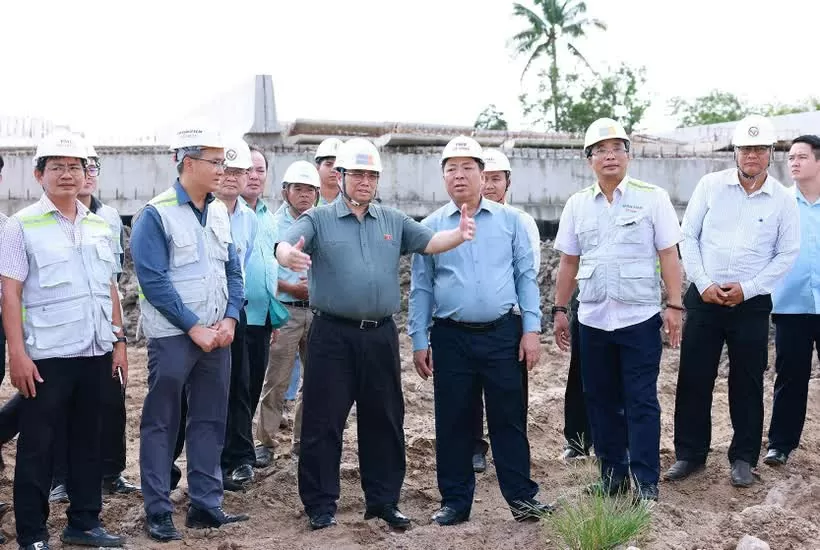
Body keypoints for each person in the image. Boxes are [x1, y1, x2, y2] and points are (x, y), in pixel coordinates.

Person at [275, 137, 475, 531]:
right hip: (332, 335)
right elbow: (285, 243)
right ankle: (320, 505)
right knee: (323, 422)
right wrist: (288, 255)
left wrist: (459, 234)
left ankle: (383, 501)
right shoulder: (318, 219)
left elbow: (429, 242)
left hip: (380, 336)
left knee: (384, 419)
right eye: (357, 174)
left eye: (371, 175)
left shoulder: (393, 220)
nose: (365, 182)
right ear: (340, 176)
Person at [409, 136, 552, 525]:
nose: (459, 175)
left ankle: (522, 499)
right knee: (453, 420)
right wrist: (419, 338)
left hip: (503, 333)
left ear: (482, 173)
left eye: (467, 168)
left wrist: (531, 329)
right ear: (443, 176)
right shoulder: (430, 227)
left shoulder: (510, 222)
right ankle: (455, 501)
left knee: (509, 418)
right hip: (450, 336)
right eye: (451, 169)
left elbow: (525, 278)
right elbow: (421, 287)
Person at [1, 131, 127, 549]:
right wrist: (17, 354)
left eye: (75, 167)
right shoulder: (21, 225)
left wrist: (119, 342)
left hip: (95, 351)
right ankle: (32, 535)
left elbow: (109, 286)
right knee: (38, 447)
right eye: (57, 167)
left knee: (89, 442)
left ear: (86, 173)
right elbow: (10, 293)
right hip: (48, 357)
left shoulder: (99, 225)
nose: (67, 174)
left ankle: (84, 523)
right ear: (39, 174)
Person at [553, 118, 684, 502]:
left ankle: (646, 480)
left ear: (628, 155)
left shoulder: (652, 198)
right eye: (601, 150)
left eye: (617, 149)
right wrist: (559, 309)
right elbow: (568, 262)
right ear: (589, 159)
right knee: (600, 400)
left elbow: (669, 255)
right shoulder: (577, 204)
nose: (609, 156)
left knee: (641, 400)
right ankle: (613, 476)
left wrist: (674, 304)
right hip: (593, 319)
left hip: (638, 318)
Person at [666, 114, 799, 488]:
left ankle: (743, 458)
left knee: (747, 381)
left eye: (759, 149)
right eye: (745, 149)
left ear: (770, 153)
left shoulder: (782, 200)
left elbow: (786, 253)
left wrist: (749, 287)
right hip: (704, 299)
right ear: (735, 152)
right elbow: (688, 237)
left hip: (751, 304)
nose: (751, 155)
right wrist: (704, 283)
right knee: (694, 378)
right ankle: (690, 454)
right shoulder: (710, 186)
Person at [131, 122, 249, 542]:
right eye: (215, 161)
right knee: (162, 422)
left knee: (211, 419)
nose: (222, 169)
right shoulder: (155, 214)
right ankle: (158, 510)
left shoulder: (218, 211)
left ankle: (205, 504)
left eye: (223, 161)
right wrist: (193, 327)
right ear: (186, 162)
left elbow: (233, 270)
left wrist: (231, 317)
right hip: (173, 337)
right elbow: (153, 281)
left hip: (217, 336)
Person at [43, 144, 139, 503]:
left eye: (89, 168)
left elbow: (112, 277)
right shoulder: (42, 220)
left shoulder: (108, 218)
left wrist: (119, 336)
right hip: (61, 331)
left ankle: (112, 472)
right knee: (61, 406)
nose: (82, 175)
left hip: (103, 324)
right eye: (65, 167)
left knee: (112, 401)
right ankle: (60, 478)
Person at [470, 147, 542, 473]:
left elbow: (528, 273)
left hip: (509, 319)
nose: (488, 185)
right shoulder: (461, 220)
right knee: (470, 390)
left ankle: (511, 451)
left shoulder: (521, 222)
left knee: (510, 392)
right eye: (484, 178)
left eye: (496, 179)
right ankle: (475, 447)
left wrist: (528, 326)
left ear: (508, 182)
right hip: (468, 320)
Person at [256, 160, 321, 466]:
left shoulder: (322, 221)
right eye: (298, 188)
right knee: (276, 379)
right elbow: (265, 269)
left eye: (310, 189)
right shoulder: (272, 224)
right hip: (285, 310)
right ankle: (265, 441)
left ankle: (303, 441)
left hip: (318, 312)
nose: (304, 194)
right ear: (285, 191)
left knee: (315, 380)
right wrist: (292, 288)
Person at [765, 135, 820, 466]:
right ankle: (780, 444)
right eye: (791, 158)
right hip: (791, 304)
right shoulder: (780, 202)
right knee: (790, 377)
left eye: (802, 157)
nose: (794, 162)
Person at [215, 139, 258, 488]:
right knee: (199, 392)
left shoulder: (249, 219)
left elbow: (241, 268)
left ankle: (239, 458)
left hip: (236, 311)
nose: (231, 177)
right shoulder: (201, 211)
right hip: (203, 312)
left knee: (239, 387)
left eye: (239, 171)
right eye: (226, 170)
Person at [239, 145, 281, 455]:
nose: (254, 176)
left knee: (254, 386)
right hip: (236, 318)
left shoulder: (269, 217)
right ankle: (235, 454)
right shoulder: (227, 212)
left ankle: (242, 449)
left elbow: (271, 266)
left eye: (260, 170)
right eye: (248, 169)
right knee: (236, 390)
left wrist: (274, 317)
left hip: (263, 317)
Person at [315, 137, 343, 205]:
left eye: (338, 165)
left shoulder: (353, 201)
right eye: (328, 164)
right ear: (318, 167)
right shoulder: (308, 199)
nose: (334, 170)